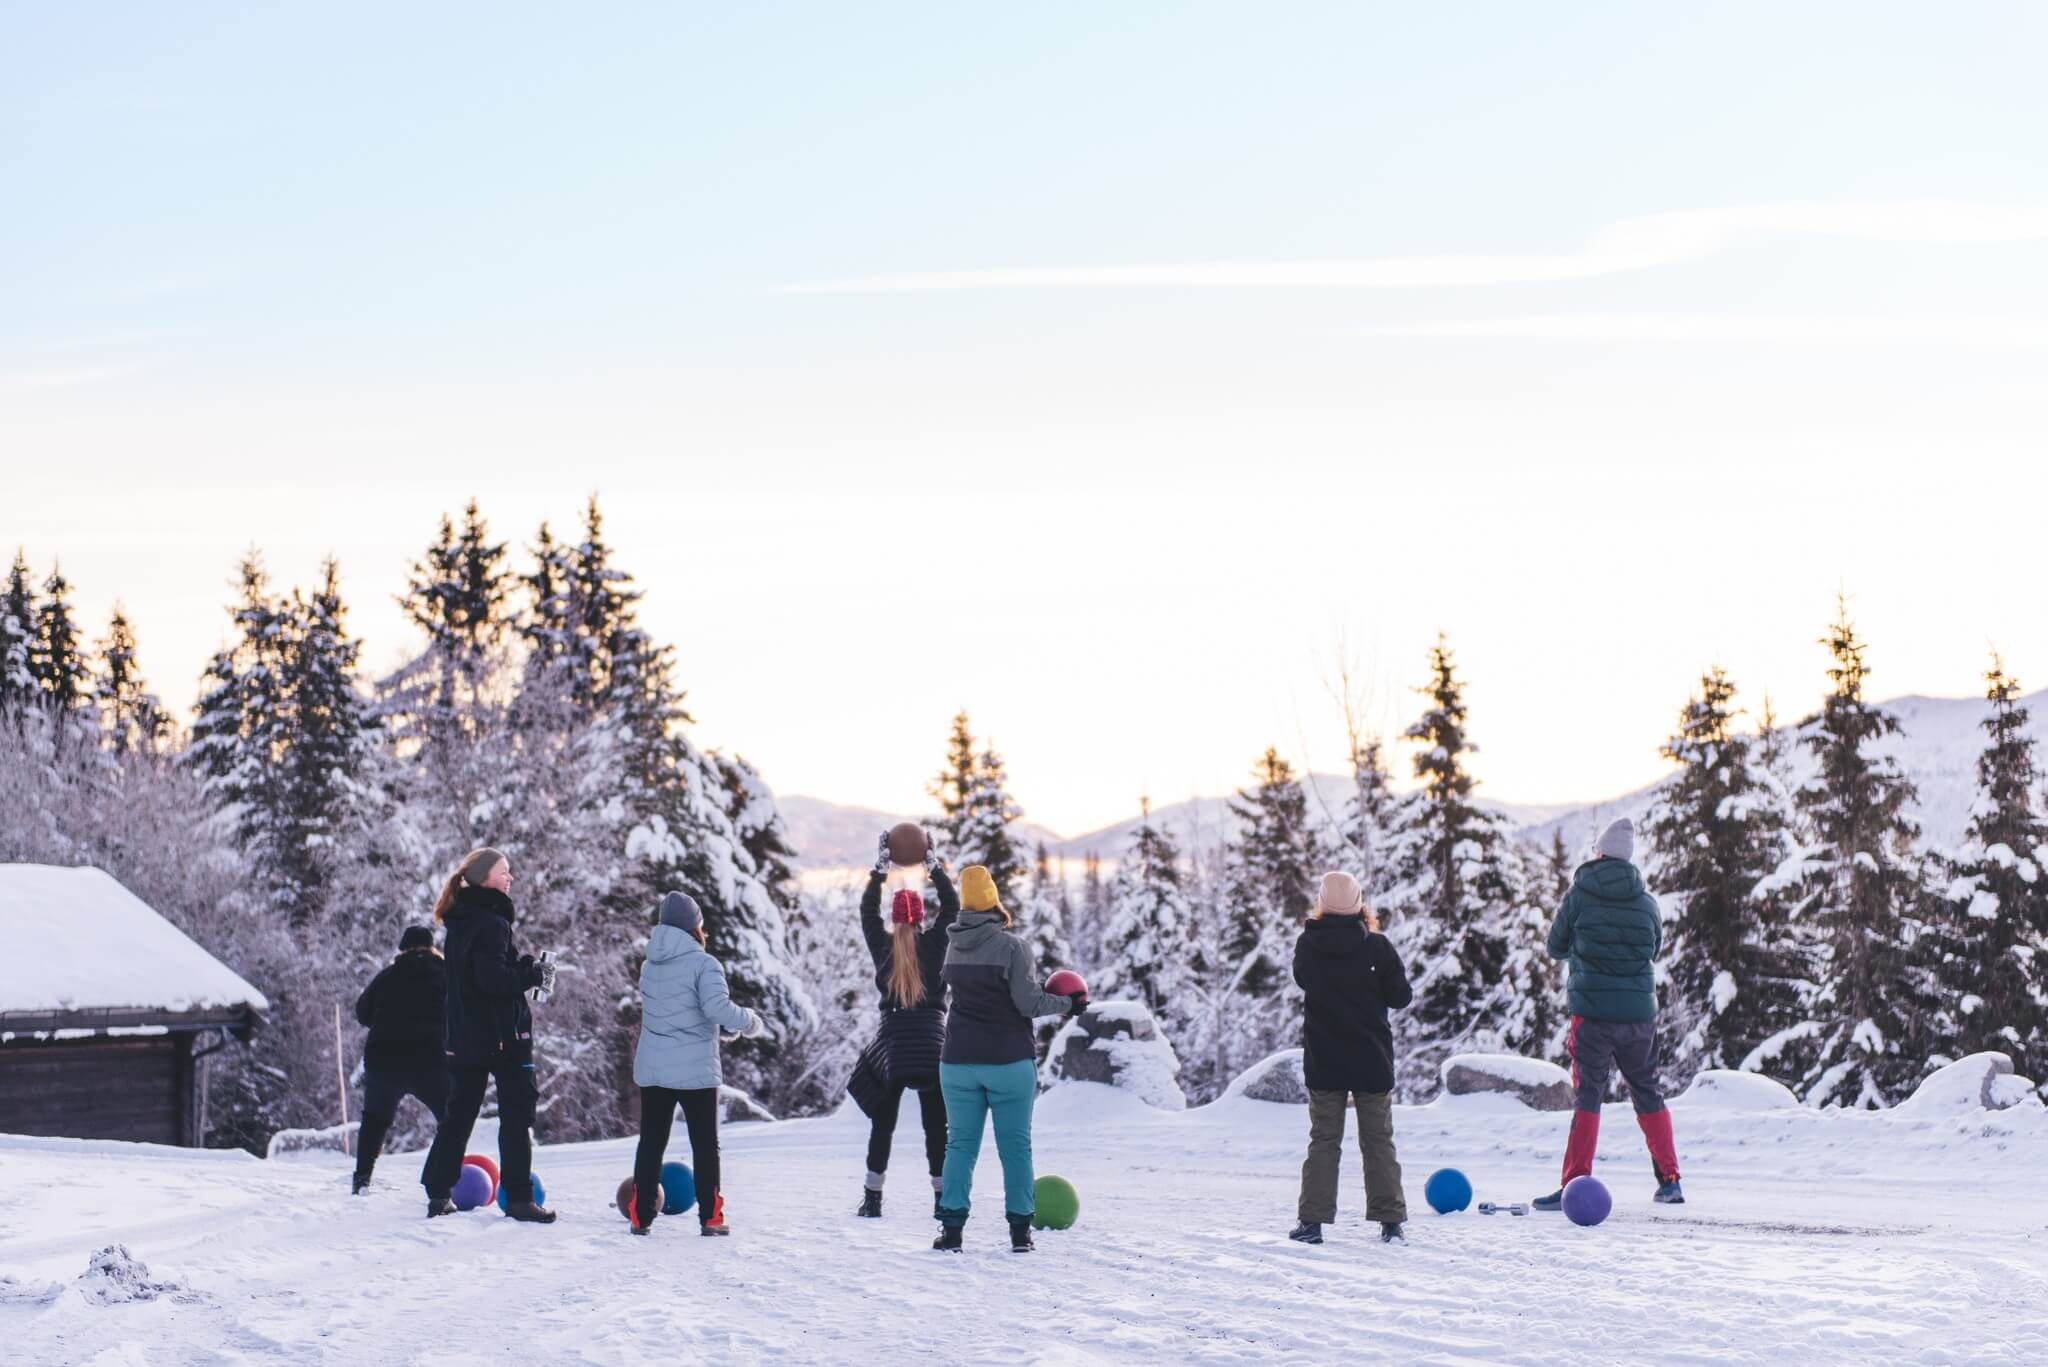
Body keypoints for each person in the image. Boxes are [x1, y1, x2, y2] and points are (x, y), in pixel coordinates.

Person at [932, 864, 1085, 1253]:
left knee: (960, 1145)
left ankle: (951, 1233)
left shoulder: (952, 946)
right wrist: (1069, 1003)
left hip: (957, 1062)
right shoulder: (1012, 947)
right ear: (994, 903)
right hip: (1008, 1062)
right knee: (1014, 1147)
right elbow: (1027, 1002)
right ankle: (1020, 1234)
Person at [1533, 816, 1684, 1210]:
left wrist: (1586, 953)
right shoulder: (1647, 902)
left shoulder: (1579, 895)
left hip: (1592, 1016)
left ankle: (1574, 1185)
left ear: (1598, 854)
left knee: (1588, 1097)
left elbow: (1555, 945)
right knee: (1648, 1093)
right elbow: (1653, 949)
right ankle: (1670, 1181)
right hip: (1639, 1017)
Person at [419, 847, 558, 1222]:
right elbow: (492, 980)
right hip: (503, 1037)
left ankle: (437, 1191)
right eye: (504, 872)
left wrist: (521, 965)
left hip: (465, 1036)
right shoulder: (492, 922)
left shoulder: (462, 921)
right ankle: (519, 1199)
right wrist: (530, 976)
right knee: (517, 1115)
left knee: (459, 1114)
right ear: (484, 879)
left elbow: (478, 974)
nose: (510, 877)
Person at [1288, 871, 1414, 1246]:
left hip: (1325, 1059)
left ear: (1322, 904)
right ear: (1360, 903)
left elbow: (1302, 979)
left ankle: (1312, 1222)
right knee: (1378, 1141)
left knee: (1324, 1140)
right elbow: (1401, 997)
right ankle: (1390, 1222)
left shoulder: (1308, 945)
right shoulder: (1377, 948)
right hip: (1371, 1059)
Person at [629, 890, 765, 1237]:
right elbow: (715, 1010)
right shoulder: (705, 964)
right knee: (704, 1144)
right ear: (695, 926)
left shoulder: (649, 964)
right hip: (695, 1071)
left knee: (651, 1142)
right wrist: (747, 1021)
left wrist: (717, 1031)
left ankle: (640, 1216)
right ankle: (711, 1217)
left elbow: (674, 1014)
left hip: (655, 1067)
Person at [848, 830, 956, 1219]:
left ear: (895, 918)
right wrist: (933, 865)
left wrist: (879, 871)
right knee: (935, 1127)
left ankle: (873, 1198)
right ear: (922, 918)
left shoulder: (883, 947)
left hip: (894, 1045)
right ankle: (942, 1198)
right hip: (931, 1043)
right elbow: (953, 907)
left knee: (883, 1122)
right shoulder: (934, 945)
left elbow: (865, 912)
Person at [350, 924, 449, 1195]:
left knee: (374, 1121)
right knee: (452, 1117)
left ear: (402, 949)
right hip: (430, 1059)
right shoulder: (445, 976)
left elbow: (362, 1013)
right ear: (431, 948)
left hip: (384, 1060)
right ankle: (440, 1177)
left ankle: (361, 1180)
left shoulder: (387, 977)